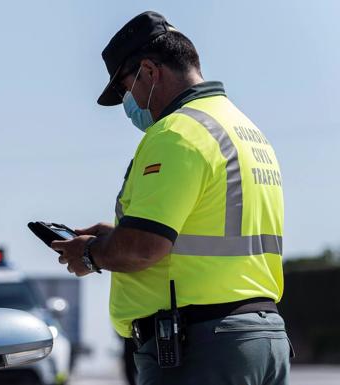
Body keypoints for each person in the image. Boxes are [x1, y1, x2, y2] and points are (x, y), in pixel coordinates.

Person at [52, 11, 291, 385]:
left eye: (124, 89)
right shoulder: (243, 129)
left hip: (201, 347)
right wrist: (117, 233)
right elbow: (201, 230)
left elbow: (145, 247)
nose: (128, 103)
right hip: (260, 338)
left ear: (149, 71)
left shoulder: (177, 132)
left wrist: (89, 253)